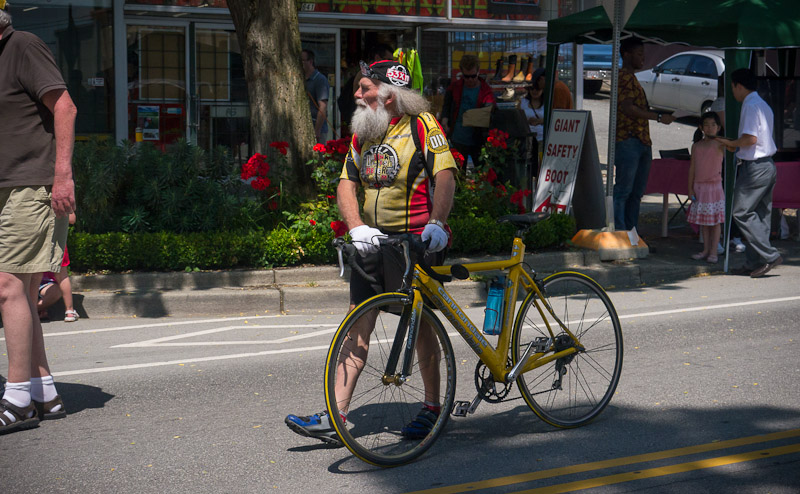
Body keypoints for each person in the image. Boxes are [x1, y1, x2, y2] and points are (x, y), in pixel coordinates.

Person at [285, 59, 458, 445]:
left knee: (421, 325)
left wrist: (437, 223)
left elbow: (444, 176)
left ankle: (432, 407)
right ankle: (337, 415)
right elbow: (346, 184)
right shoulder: (365, 131)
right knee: (356, 322)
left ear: (388, 94)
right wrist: (356, 226)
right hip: (373, 242)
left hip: (415, 241)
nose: (357, 95)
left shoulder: (422, 125)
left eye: (364, 88)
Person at [0, 5, 76, 434]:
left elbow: (65, 108)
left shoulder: (24, 46)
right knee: (25, 293)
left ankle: (17, 401)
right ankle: (43, 391)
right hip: (7, 187)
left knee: (7, 285)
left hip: (32, 186)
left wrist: (62, 176)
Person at [715, 68, 782, 278]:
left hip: (755, 167)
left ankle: (770, 256)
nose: (732, 92)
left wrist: (731, 144)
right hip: (767, 164)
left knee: (740, 212)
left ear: (738, 86)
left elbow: (750, 139)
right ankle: (754, 262)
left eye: (732, 87)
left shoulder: (751, 105)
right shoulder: (761, 103)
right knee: (760, 216)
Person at [613, 37, 676, 232]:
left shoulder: (632, 78)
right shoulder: (623, 77)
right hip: (628, 140)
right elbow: (627, 108)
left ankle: (632, 233)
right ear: (626, 55)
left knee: (636, 192)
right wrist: (657, 116)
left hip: (640, 141)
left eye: (643, 54)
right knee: (624, 191)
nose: (643, 58)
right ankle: (621, 232)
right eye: (639, 54)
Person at [440, 54, 496, 168]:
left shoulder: (486, 91)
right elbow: (446, 106)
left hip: (478, 140)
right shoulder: (454, 87)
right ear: (462, 73)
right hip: (457, 139)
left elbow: (490, 114)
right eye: (466, 76)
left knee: (482, 176)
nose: (470, 79)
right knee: (458, 176)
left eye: (473, 76)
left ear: (478, 72)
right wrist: (445, 120)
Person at [687, 112, 726, 264]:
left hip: (714, 187)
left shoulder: (721, 144)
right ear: (701, 127)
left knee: (715, 222)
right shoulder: (696, 146)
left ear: (718, 127)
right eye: (707, 125)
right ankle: (705, 250)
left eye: (713, 125)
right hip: (699, 187)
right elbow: (692, 168)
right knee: (704, 222)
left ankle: (714, 251)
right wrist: (690, 189)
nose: (710, 128)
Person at [338, 43, 394, 133]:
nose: (391, 64)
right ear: (377, 57)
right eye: (388, 60)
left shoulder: (375, 74)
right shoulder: (367, 74)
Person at [302, 49, 330, 144]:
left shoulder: (320, 79)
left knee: (318, 157)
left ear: (310, 61)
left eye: (302, 60)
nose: (300, 63)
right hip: (303, 128)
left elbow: (323, 106)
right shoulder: (300, 78)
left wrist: (317, 130)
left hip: (317, 129)